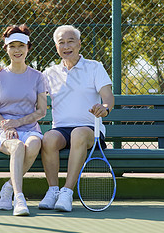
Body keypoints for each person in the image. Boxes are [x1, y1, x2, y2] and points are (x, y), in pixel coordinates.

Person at [39, 25, 114, 212]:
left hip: (89, 129)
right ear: (56, 47)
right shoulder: (49, 73)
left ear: (79, 44)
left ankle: (67, 192)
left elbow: (108, 97)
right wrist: (0, 73)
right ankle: (53, 191)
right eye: (61, 43)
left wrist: (104, 109)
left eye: (70, 41)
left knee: (78, 134)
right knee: (48, 138)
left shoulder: (95, 67)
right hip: (62, 129)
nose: (66, 46)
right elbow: (27, 87)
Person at [0, 24, 47, 216]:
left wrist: (17, 123)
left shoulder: (38, 77)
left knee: (34, 145)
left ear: (28, 48)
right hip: (1, 129)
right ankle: (19, 198)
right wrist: (5, 125)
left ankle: (8, 187)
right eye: (12, 46)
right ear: (6, 49)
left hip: (29, 128)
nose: (17, 50)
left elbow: (41, 111)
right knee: (17, 146)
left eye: (21, 46)